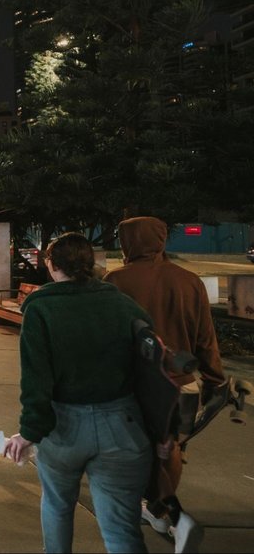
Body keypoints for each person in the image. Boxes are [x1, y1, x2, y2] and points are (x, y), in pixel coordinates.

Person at [3, 233, 153, 554]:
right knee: (121, 530)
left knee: (57, 505)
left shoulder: (42, 309)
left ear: (52, 265)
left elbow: (36, 380)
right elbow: (150, 367)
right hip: (122, 423)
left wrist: (29, 432)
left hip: (64, 426)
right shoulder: (123, 305)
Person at [104, 216, 226, 551]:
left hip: (136, 383)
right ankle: (160, 510)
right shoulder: (188, 280)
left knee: (137, 448)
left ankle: (155, 508)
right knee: (173, 446)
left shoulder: (116, 280)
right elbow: (205, 337)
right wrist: (216, 379)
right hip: (182, 382)